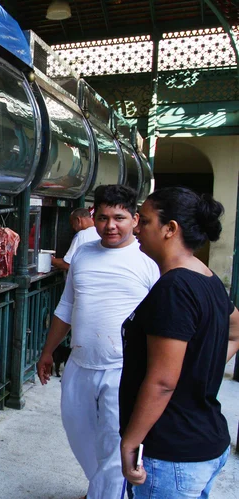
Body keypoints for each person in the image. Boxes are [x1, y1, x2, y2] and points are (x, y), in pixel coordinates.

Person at [37, 184, 160, 499]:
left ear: (134, 219)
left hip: (123, 369)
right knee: (78, 433)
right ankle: (102, 486)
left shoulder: (150, 261)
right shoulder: (83, 253)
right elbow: (67, 307)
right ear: (95, 217)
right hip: (79, 364)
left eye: (119, 218)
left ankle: (105, 493)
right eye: (104, 217)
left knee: (113, 441)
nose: (111, 226)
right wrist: (48, 351)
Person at [119, 187, 239, 498]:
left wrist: (131, 441)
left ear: (170, 229)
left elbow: (161, 382)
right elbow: (236, 329)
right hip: (205, 442)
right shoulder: (205, 277)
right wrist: (201, 368)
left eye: (144, 221)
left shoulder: (175, 287)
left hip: (172, 452)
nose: (136, 228)